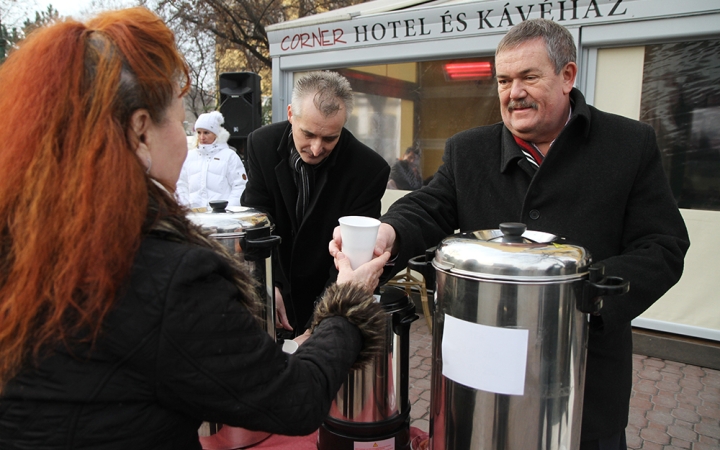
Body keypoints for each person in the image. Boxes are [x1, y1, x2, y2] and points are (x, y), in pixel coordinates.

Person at [0, 8, 391, 450]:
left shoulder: (23, 235)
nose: (188, 138)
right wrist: (349, 303)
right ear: (141, 131)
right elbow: (295, 399)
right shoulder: (172, 276)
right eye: (180, 119)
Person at [331, 18, 690, 450]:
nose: (513, 92)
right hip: (480, 382)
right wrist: (390, 231)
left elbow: (664, 246)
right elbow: (428, 205)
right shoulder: (469, 149)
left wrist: (584, 296)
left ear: (567, 76)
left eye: (528, 77)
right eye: (503, 79)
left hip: (583, 382)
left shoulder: (629, 145)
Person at [241, 71, 390, 338]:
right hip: (276, 290)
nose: (317, 147)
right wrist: (267, 284)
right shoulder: (261, 144)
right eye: (308, 134)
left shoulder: (369, 170)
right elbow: (257, 220)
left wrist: (317, 326)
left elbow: (353, 257)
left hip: (332, 296)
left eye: (330, 138)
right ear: (290, 114)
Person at [176, 111, 247, 209]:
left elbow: (240, 185)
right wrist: (185, 206)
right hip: (195, 217)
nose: (202, 137)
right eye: (199, 132)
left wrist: (229, 209)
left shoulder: (229, 156)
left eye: (206, 132)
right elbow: (181, 184)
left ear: (216, 134)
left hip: (221, 217)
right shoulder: (189, 156)